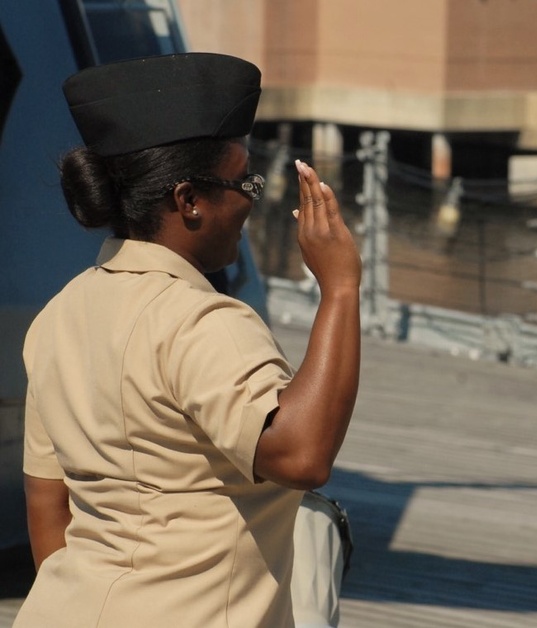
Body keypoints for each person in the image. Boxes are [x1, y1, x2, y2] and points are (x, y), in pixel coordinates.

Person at [16, 52, 361, 627]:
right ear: (189, 201)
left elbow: (48, 506)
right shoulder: (204, 321)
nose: (252, 197)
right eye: (243, 179)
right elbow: (302, 455)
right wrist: (341, 288)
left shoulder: (58, 315)